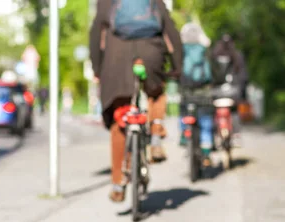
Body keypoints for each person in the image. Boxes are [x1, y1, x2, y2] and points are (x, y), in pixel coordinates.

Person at [89, 0, 182, 202]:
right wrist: (177, 66)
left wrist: (98, 69)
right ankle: (156, 133)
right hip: (151, 55)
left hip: (117, 60)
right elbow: (171, 31)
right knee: (156, 92)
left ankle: (118, 184)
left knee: (119, 119)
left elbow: (96, 33)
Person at [177, 21, 215, 165]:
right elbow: (212, 70)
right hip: (203, 89)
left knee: (183, 110)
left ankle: (184, 133)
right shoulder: (204, 49)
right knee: (205, 117)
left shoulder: (181, 49)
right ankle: (206, 148)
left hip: (186, 88)